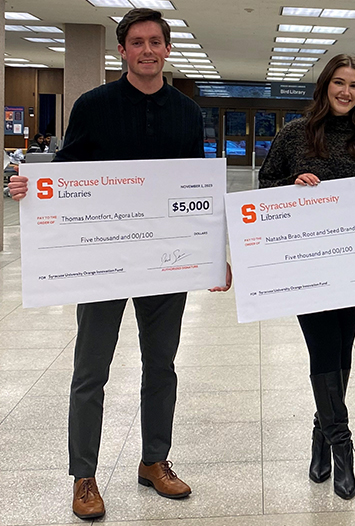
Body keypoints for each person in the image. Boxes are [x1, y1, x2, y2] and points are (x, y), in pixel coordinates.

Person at [8, 8, 230, 521]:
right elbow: (64, 177)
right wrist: (30, 189)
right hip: (103, 263)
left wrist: (210, 255)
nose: (148, 50)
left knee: (162, 367)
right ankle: (84, 475)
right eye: (137, 42)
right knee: (91, 369)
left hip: (165, 265)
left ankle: (154, 461)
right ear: (122, 50)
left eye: (156, 41)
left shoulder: (186, 112)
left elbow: (196, 193)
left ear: (167, 49)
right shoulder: (93, 106)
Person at [258, 53, 355, 500]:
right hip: (307, 267)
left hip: (354, 267)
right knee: (323, 352)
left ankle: (320, 436)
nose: (346, 92)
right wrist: (291, 187)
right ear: (325, 86)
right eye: (339, 83)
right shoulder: (295, 135)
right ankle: (343, 447)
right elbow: (264, 186)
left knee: (341, 351)